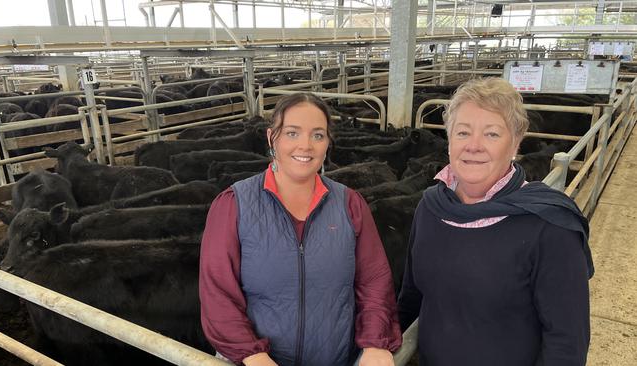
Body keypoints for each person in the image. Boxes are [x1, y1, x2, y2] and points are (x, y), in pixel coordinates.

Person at [397, 78, 594, 366]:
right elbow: (411, 297)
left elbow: (567, 343)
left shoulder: (550, 227)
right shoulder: (430, 207)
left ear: (515, 142)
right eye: (463, 132)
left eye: (491, 134)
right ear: (449, 139)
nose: (474, 146)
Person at [199, 92, 402, 366]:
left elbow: (375, 280)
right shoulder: (234, 205)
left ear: (328, 143)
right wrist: (252, 354)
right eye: (292, 133)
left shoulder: (350, 204)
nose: (305, 145)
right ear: (272, 138)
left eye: (318, 135)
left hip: (337, 359)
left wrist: (376, 343)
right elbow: (217, 294)